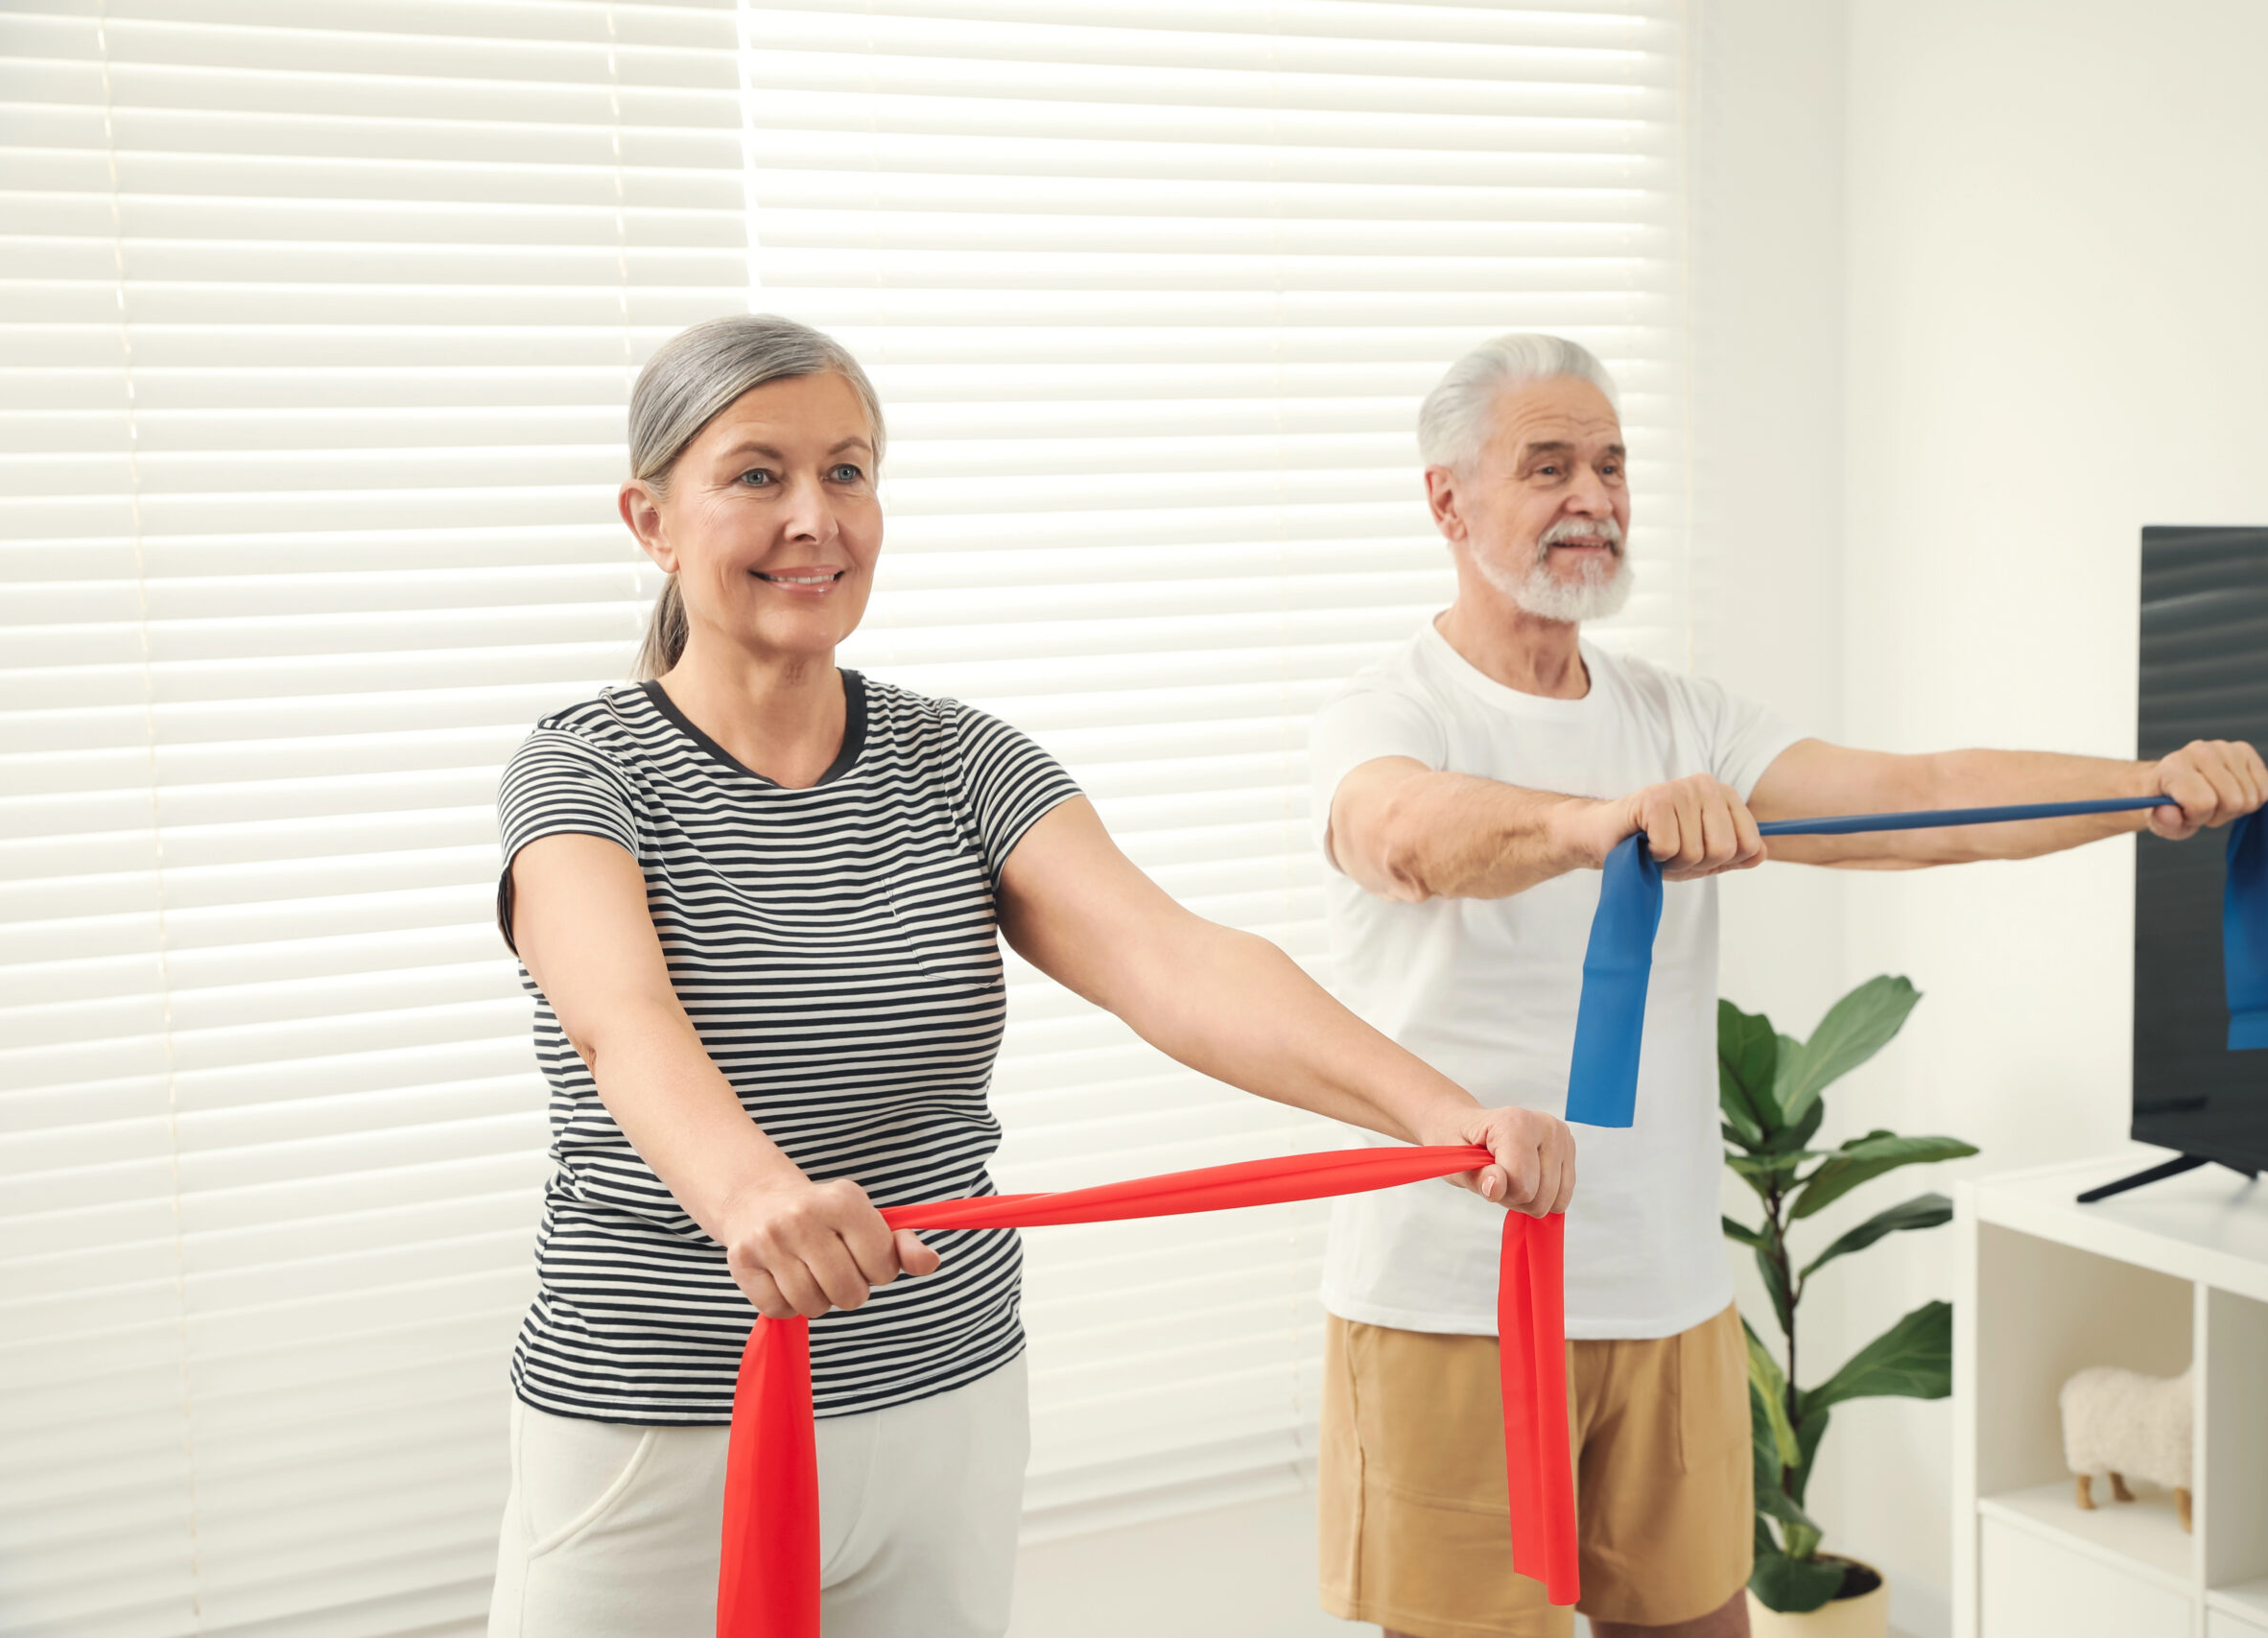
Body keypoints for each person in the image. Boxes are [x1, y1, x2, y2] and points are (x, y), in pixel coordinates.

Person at [482, 315, 1578, 1638]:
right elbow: (620, 1021)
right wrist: (753, 1196)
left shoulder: (958, 760)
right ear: (651, 519)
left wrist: (1437, 1111)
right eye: (757, 475)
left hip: (938, 1395)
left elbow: (1167, 958)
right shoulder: (584, 774)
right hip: (663, 1418)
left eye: (848, 470)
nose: (815, 516)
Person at [1311, 333, 2268, 1638]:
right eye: (1547, 467)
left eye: (1610, 463)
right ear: (1448, 501)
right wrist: (1595, 824)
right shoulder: (1392, 709)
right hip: (1453, 1305)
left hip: (1666, 1295)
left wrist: (2141, 786)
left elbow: (1918, 798)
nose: (1592, 497)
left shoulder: (1681, 719)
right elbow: (1407, 835)